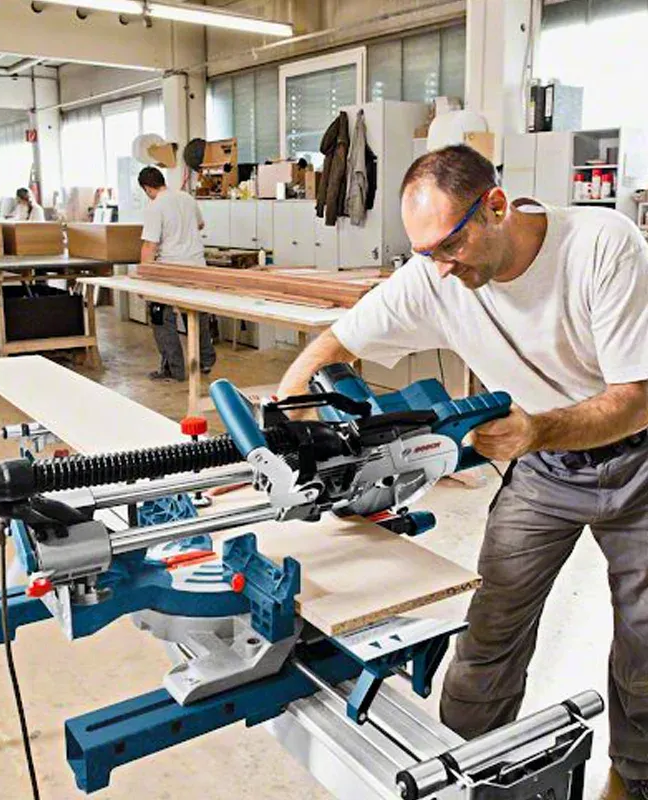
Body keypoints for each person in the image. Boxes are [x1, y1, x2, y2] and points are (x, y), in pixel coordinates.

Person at [277, 144, 648, 800]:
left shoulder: (602, 246)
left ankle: (635, 778)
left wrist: (537, 429)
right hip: (543, 469)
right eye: (426, 254)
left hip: (637, 463)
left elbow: (636, 399)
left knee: (645, 646)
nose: (441, 270)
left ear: (496, 206)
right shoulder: (436, 273)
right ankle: (461, 773)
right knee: (490, 629)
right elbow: (336, 342)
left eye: (449, 246)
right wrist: (287, 417)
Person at [138, 166, 216, 381]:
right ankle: (205, 361)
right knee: (196, 314)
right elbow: (200, 224)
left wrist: (143, 278)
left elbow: (150, 245)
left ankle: (175, 369)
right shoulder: (186, 198)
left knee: (160, 316)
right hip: (197, 266)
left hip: (171, 269)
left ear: (147, 188)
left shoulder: (155, 206)